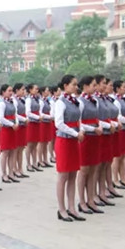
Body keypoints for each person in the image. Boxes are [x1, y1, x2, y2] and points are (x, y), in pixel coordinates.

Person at [54, 75, 86, 222]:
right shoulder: (60, 102)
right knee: (63, 176)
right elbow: (59, 123)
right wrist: (75, 133)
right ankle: (61, 209)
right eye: (73, 84)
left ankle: (72, 207)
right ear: (65, 85)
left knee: (73, 174)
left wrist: (81, 130)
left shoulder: (75, 101)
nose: (76, 87)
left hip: (74, 140)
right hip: (64, 141)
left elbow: (79, 120)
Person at [76, 76, 106, 215]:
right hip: (86, 137)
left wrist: (99, 126)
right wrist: (93, 129)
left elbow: (97, 118)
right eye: (93, 85)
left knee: (94, 169)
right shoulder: (80, 102)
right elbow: (79, 122)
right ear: (85, 86)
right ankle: (82, 201)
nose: (95, 88)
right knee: (84, 170)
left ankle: (91, 199)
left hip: (95, 137)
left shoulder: (94, 101)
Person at [0, 85, 19, 184]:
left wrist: (17, 122)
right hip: (6, 129)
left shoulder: (12, 101)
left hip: (13, 129)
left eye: (11, 91)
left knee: (13, 151)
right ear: (3, 92)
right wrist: (11, 124)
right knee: (5, 152)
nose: (11, 93)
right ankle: (4, 174)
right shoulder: (2, 103)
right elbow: (1, 118)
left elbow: (15, 114)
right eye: (9, 91)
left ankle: (11, 172)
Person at [12, 84, 29, 178]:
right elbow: (15, 114)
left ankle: (20, 168)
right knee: (16, 149)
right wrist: (24, 119)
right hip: (18, 125)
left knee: (21, 148)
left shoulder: (23, 100)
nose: (24, 91)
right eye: (22, 89)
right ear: (17, 90)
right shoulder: (14, 100)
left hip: (23, 125)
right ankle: (14, 168)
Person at [25, 84, 42, 172]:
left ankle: (35, 163)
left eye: (37, 89)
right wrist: (37, 117)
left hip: (37, 123)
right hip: (31, 123)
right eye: (35, 89)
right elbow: (28, 112)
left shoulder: (37, 99)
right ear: (30, 90)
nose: (37, 90)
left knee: (35, 144)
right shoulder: (28, 99)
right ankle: (28, 164)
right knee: (29, 145)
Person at [37, 86, 54, 168]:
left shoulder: (47, 100)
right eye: (47, 90)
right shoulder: (41, 101)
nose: (48, 91)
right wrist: (49, 116)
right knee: (41, 142)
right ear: (43, 92)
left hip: (47, 123)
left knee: (46, 142)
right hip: (43, 123)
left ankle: (45, 159)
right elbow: (40, 113)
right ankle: (40, 160)